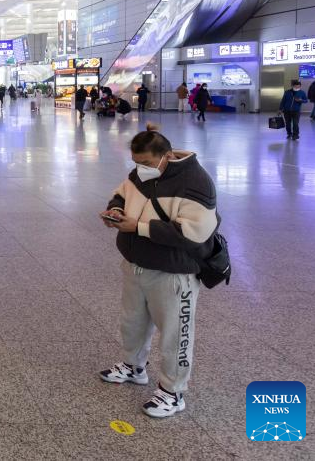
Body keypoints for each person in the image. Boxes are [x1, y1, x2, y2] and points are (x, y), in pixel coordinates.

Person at [99, 123, 218, 419]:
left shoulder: (196, 182)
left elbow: (194, 233)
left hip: (173, 273)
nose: (140, 168)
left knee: (175, 334)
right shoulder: (139, 174)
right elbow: (121, 194)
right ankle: (133, 366)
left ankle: (173, 391)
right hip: (136, 265)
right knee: (132, 322)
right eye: (136, 162)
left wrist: (138, 227)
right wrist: (115, 210)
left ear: (166, 156)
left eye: (146, 163)